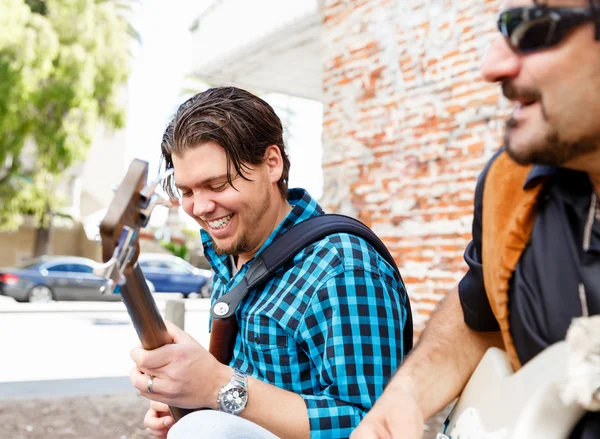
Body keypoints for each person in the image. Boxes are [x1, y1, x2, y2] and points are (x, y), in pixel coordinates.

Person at [351, 0, 600, 438]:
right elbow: (480, 313)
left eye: (533, 28)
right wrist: (406, 395)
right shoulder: (509, 181)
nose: (491, 65)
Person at [128, 86, 410, 439]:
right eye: (186, 192)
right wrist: (193, 401)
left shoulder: (343, 268)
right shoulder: (228, 254)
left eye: (217, 184)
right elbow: (246, 402)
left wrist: (218, 386)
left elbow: (380, 426)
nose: (200, 208)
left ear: (272, 164)